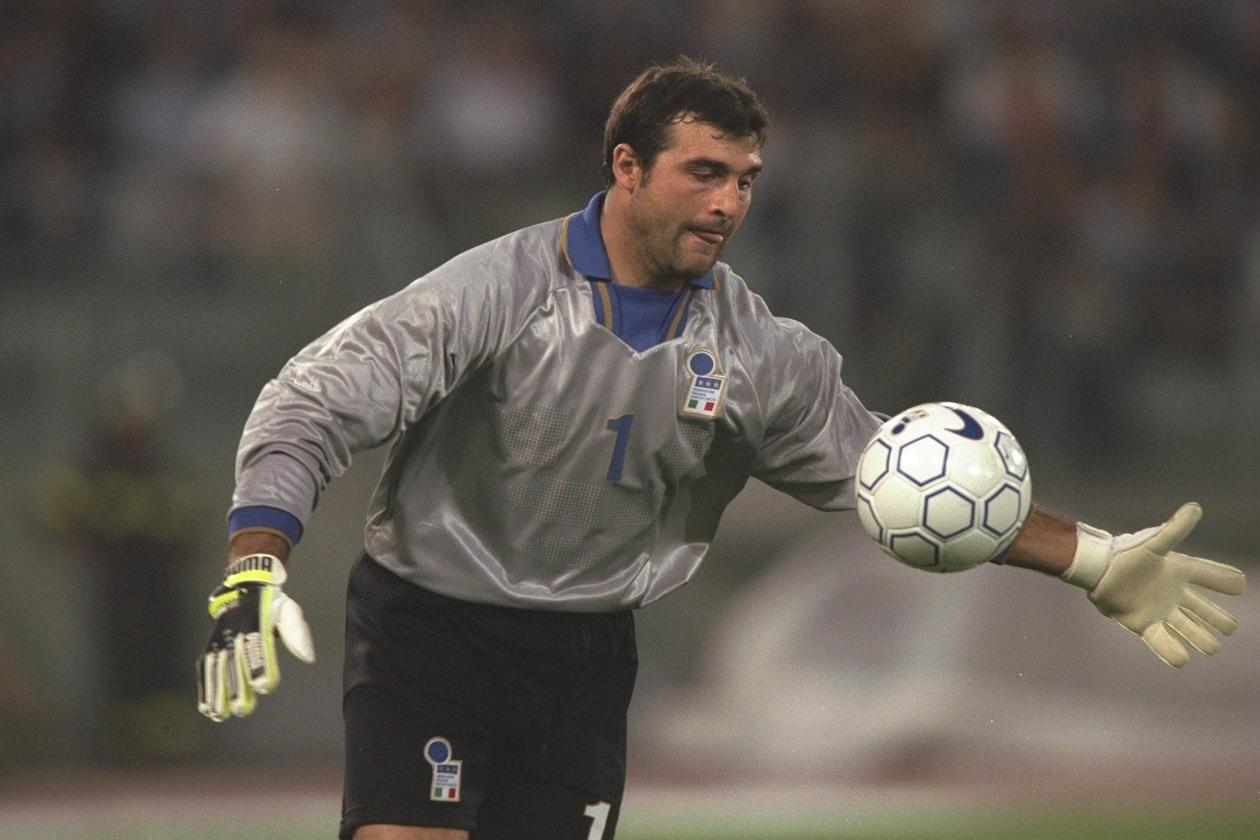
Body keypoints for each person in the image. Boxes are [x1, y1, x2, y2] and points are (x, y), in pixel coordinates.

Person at [196, 58, 1246, 840]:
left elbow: (905, 480)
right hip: (431, 627)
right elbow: (310, 404)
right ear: (626, 167)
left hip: (583, 654)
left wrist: (1096, 558)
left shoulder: (762, 354)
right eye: (704, 173)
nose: (730, 202)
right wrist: (256, 559)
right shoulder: (492, 296)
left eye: (744, 179)